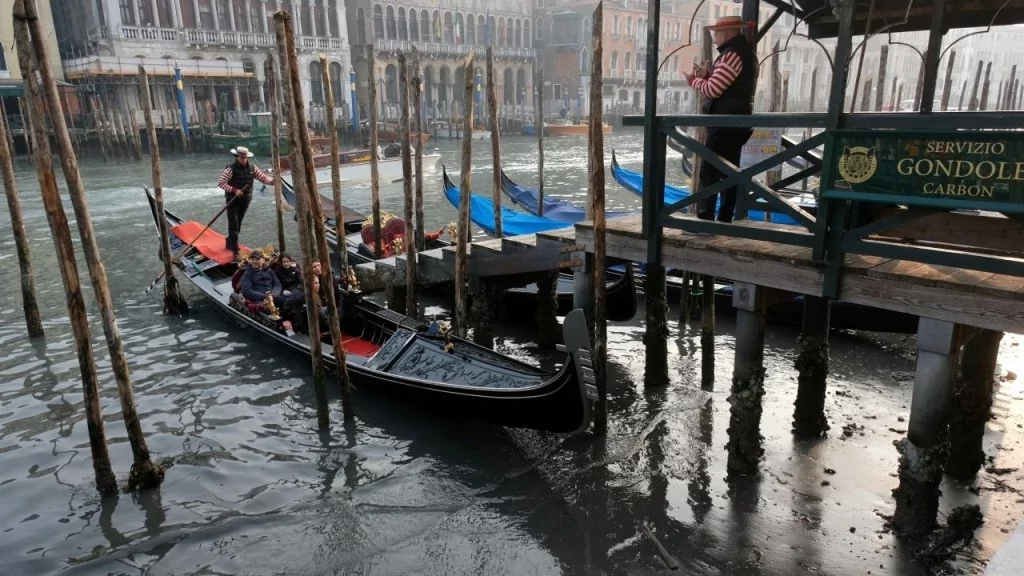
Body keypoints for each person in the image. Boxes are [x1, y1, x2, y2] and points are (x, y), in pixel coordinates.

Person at [683, 15, 757, 223]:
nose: (714, 38)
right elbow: (727, 86)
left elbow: (714, 90)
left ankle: (706, 219)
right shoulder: (743, 53)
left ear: (725, 34)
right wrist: (707, 76)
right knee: (729, 172)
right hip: (735, 122)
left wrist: (693, 81)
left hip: (726, 125)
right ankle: (725, 218)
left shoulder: (731, 55)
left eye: (716, 34)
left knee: (709, 171)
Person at [217, 146, 275, 256]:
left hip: (245, 200)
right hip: (232, 200)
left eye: (245, 157)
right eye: (241, 157)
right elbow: (221, 183)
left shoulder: (252, 168)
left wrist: (272, 182)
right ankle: (235, 251)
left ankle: (230, 241)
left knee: (238, 223)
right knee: (234, 225)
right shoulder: (230, 169)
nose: (243, 159)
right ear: (237, 157)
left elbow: (263, 178)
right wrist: (234, 190)